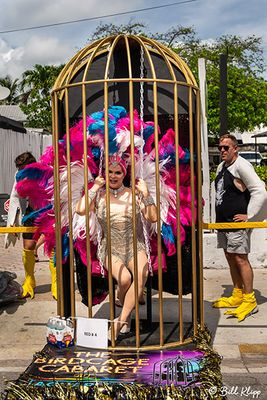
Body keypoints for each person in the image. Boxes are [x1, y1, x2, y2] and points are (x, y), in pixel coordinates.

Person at [76, 155, 157, 340]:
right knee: (125, 279)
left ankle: (120, 321)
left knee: (142, 273)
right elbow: (80, 210)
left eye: (118, 172)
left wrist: (146, 194)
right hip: (110, 248)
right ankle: (126, 307)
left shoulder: (134, 193)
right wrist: (94, 187)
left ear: (124, 174)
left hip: (135, 245)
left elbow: (152, 218)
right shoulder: (98, 196)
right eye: (110, 172)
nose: (113, 176)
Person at [212, 134, 267, 321]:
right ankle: (237, 294)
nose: (222, 151)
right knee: (230, 256)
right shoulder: (221, 167)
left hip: (237, 224)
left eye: (226, 147)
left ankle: (249, 299)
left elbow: (259, 190)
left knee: (241, 258)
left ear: (236, 149)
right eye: (220, 147)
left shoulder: (242, 165)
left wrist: (249, 216)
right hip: (224, 222)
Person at [5, 152, 57, 300]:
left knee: (53, 249)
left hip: (49, 213)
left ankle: (55, 284)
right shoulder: (20, 175)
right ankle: (29, 281)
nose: (21, 171)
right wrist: (13, 222)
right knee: (28, 247)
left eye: (23, 168)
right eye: (19, 168)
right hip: (30, 213)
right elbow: (14, 197)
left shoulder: (45, 172)